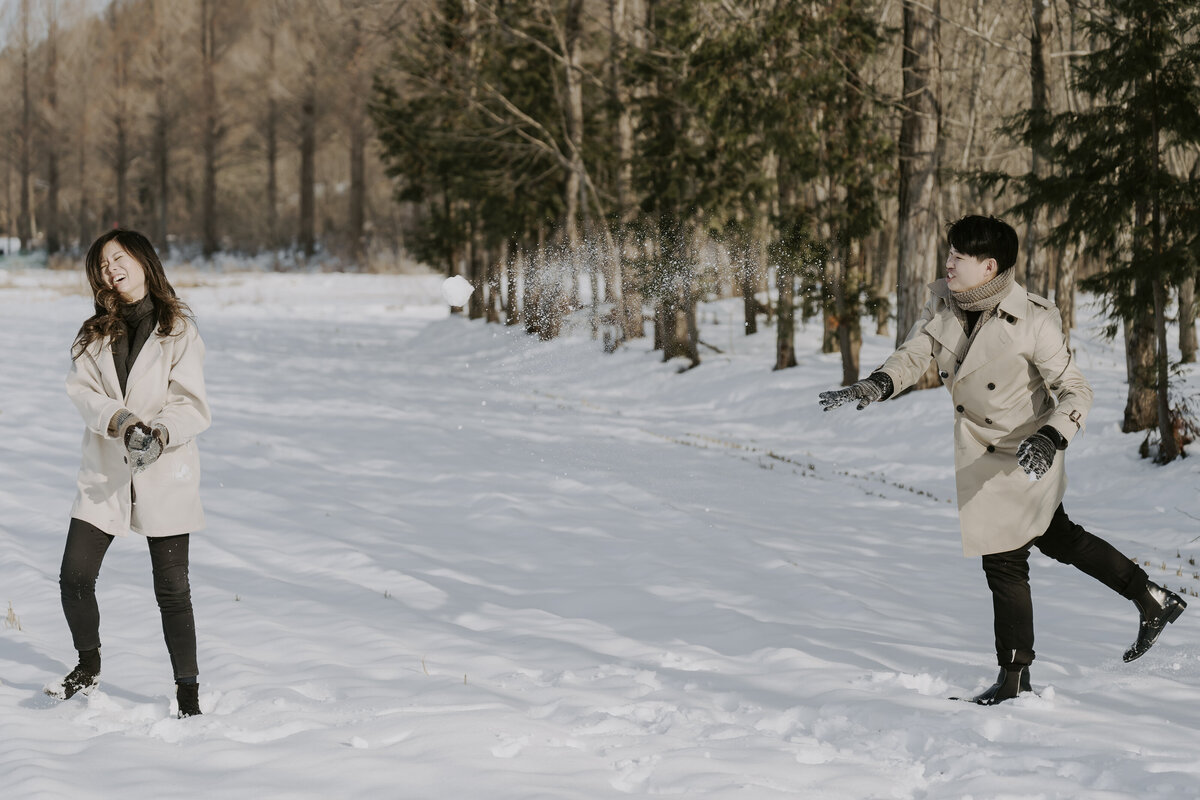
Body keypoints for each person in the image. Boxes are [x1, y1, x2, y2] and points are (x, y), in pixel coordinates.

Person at [818, 214, 1186, 705]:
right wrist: (878, 384)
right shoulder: (943, 302)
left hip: (1027, 453)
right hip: (984, 452)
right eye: (949, 253)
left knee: (1004, 562)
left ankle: (1015, 677)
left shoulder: (1034, 318)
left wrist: (1052, 437)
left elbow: (1076, 389)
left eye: (958, 257)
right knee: (1059, 538)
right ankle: (1151, 598)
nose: (947, 262)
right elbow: (916, 352)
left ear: (989, 266)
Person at [46, 229, 211, 719]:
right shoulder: (93, 331)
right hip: (105, 472)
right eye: (101, 264)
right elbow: (82, 392)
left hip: (165, 469)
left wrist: (159, 432)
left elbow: (191, 403)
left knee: (172, 590)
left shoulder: (178, 326)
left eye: (118, 258)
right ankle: (88, 665)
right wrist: (118, 420)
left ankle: (188, 693)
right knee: (74, 577)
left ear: (143, 260)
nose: (109, 269)